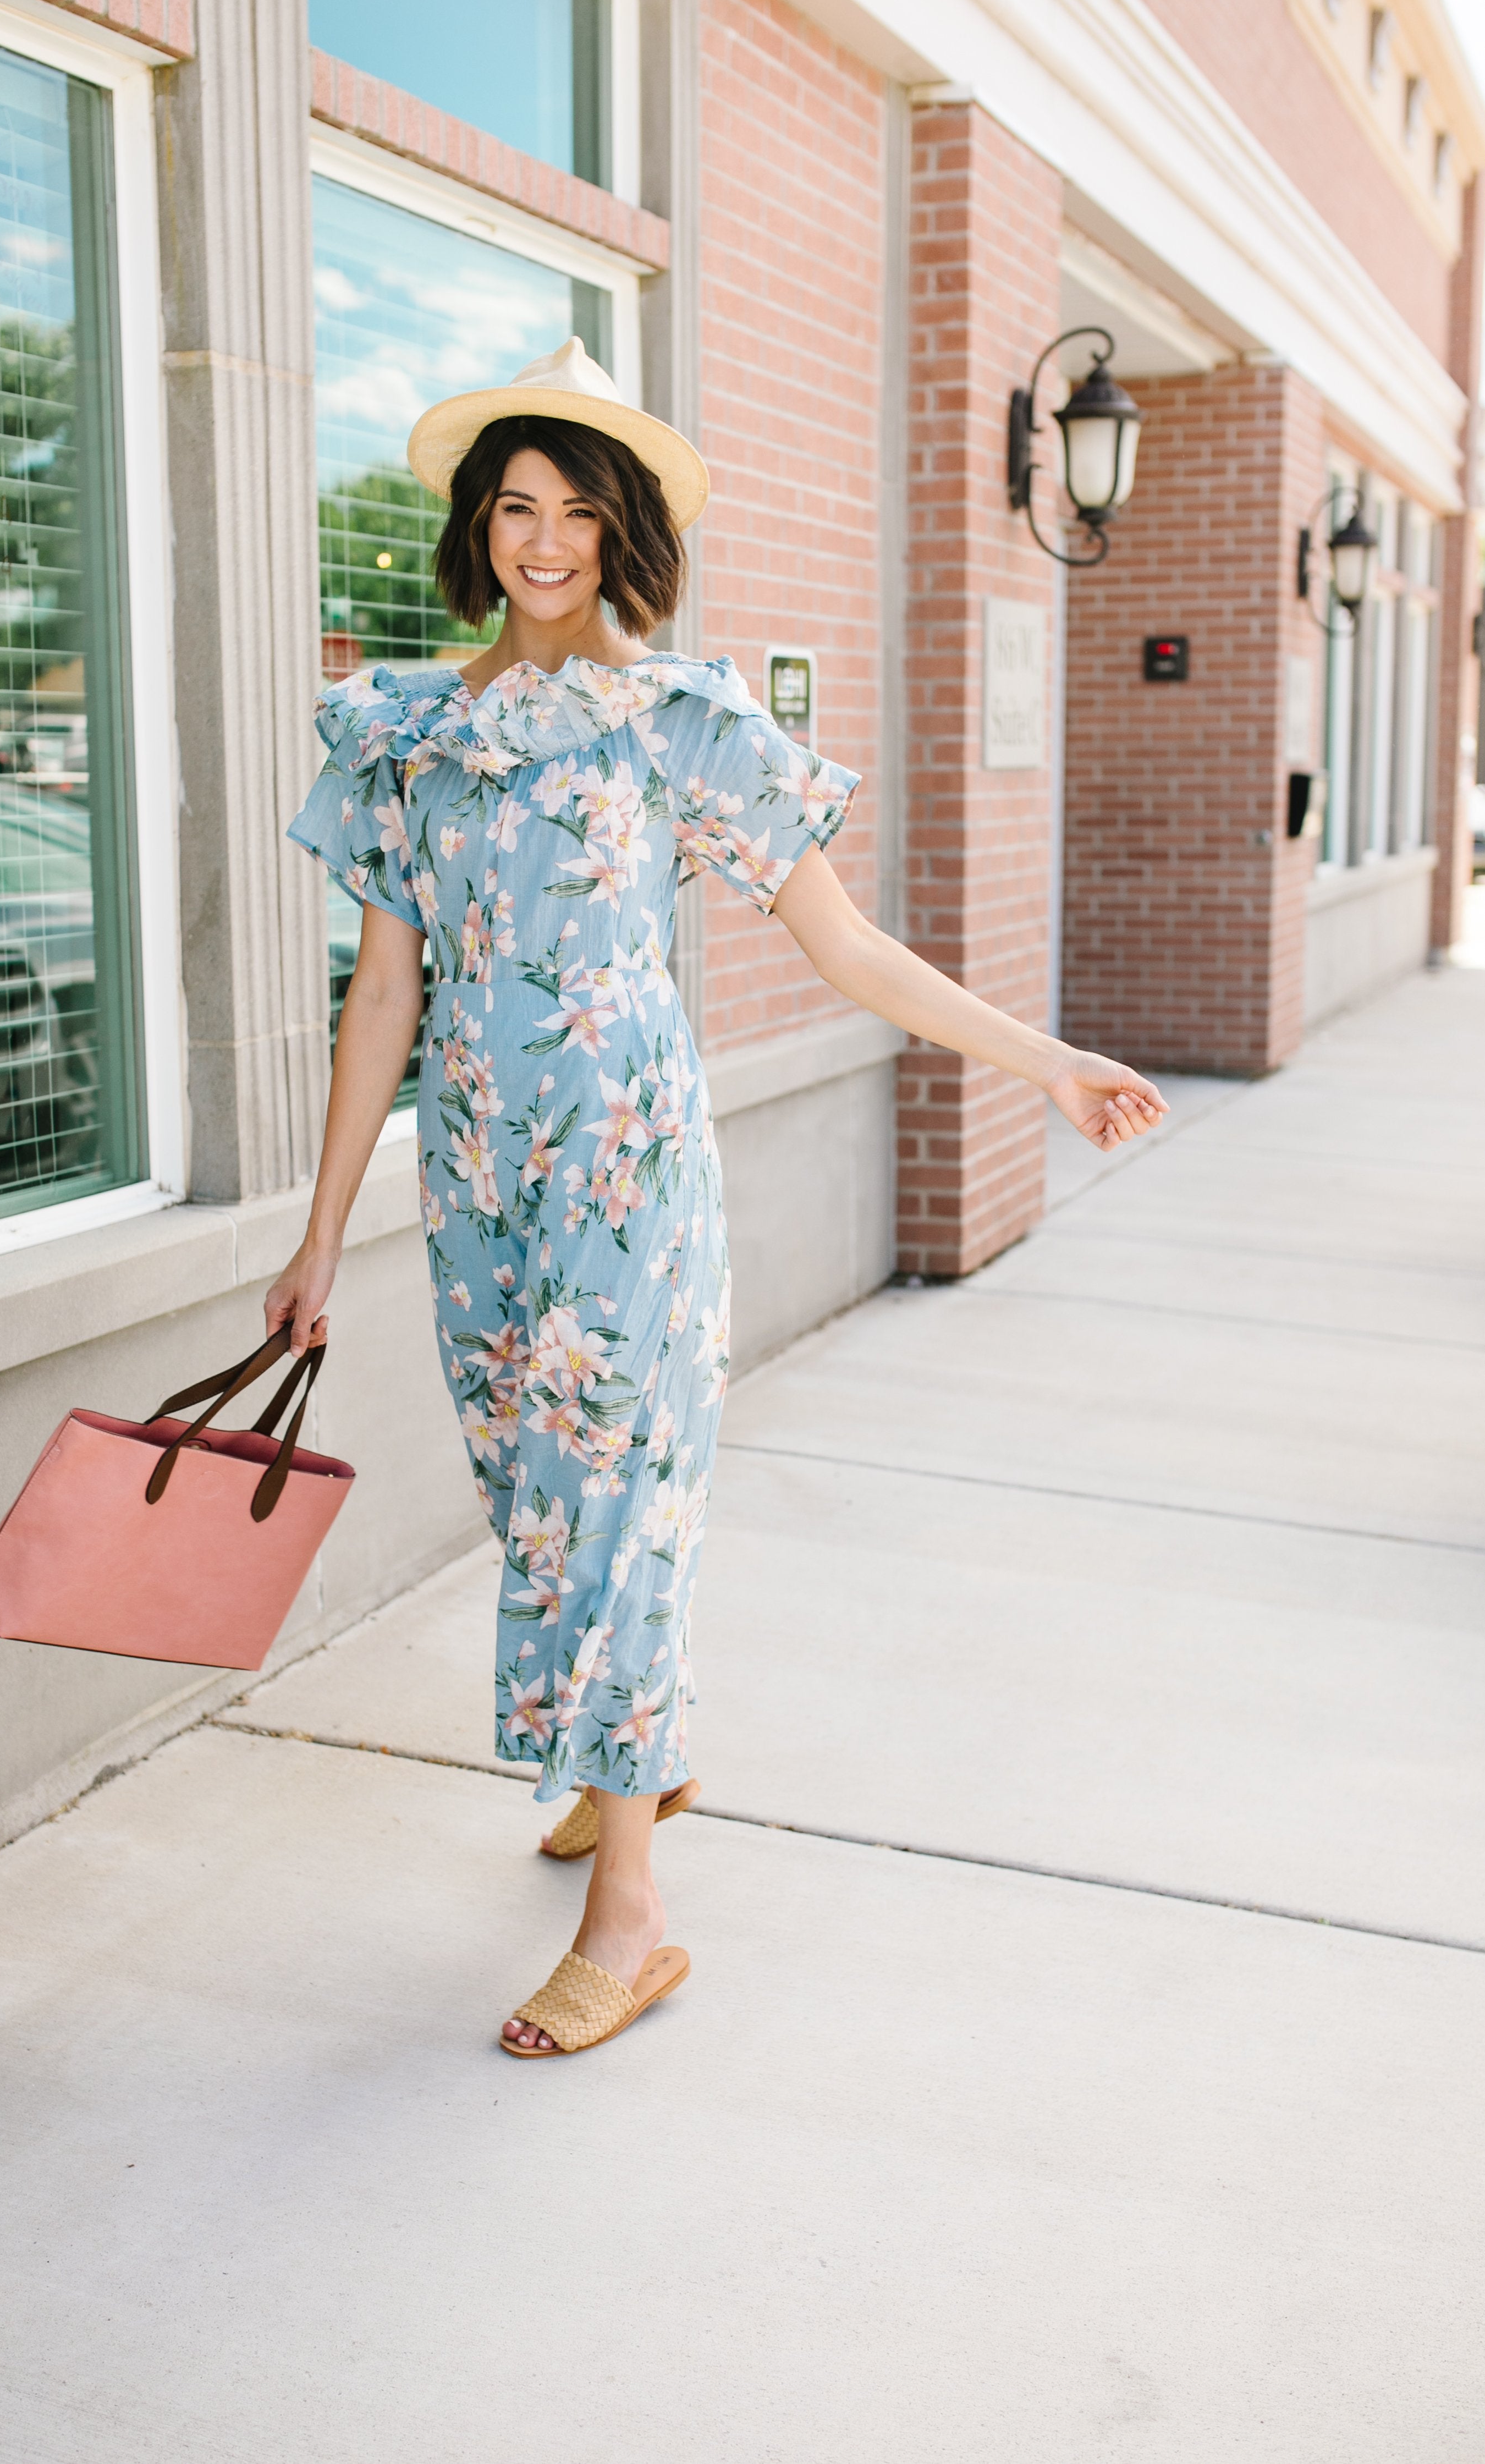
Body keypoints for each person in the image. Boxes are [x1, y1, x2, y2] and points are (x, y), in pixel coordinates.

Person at [268, 338, 1167, 2060]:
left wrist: (1040, 1058)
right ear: (478, 523)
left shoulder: (681, 722)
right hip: (473, 1184)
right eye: (516, 506)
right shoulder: (404, 732)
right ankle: (636, 1754)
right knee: (535, 1488)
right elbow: (381, 997)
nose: (543, 541)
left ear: (621, 540)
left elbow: (845, 946)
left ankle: (631, 1912)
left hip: (629, 1180)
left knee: (611, 1498)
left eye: (577, 513)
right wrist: (316, 1235)